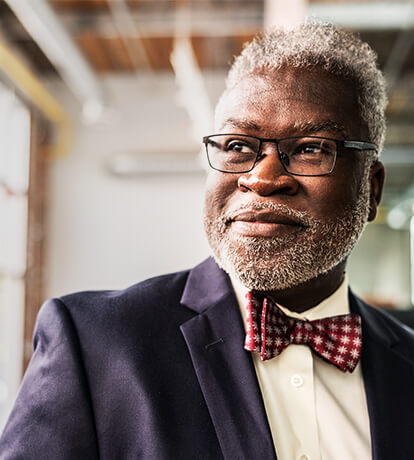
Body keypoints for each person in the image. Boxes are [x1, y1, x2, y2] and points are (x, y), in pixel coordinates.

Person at [1, 22, 413, 460]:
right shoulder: (93, 343)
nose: (262, 177)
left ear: (372, 189)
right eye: (237, 144)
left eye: (312, 148)